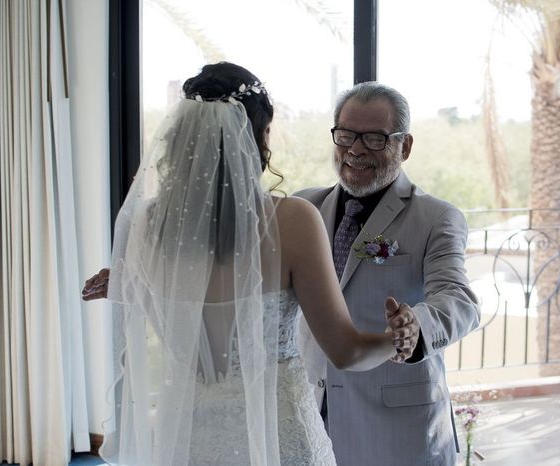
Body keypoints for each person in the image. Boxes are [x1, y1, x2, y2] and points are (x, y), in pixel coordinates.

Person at [83, 62, 408, 466]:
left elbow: (174, 327)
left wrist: (131, 283)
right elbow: (346, 352)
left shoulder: (147, 226)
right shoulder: (293, 221)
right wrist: (400, 339)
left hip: (187, 435)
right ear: (259, 138)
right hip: (279, 436)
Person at [294, 81, 480, 466]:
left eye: (375, 138)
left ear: (405, 146)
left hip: (400, 432)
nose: (356, 149)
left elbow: (459, 299)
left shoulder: (436, 217)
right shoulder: (302, 207)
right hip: (309, 417)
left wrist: (416, 327)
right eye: (345, 135)